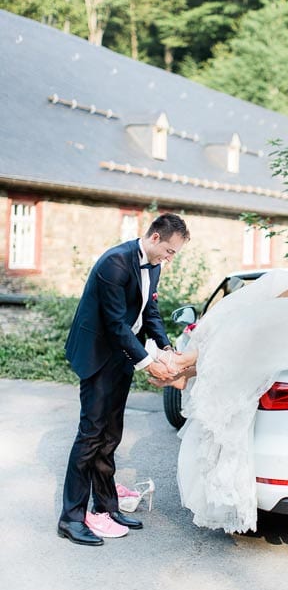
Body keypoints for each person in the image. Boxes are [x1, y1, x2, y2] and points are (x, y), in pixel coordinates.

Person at [154, 179, 288, 534]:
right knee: (243, 334)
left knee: (248, 322)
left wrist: (280, 300)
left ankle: (185, 364)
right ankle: (187, 365)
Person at [58, 213, 190, 546]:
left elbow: (150, 313)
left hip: (122, 354)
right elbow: (116, 324)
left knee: (111, 434)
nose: (170, 258)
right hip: (97, 354)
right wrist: (150, 365)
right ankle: (71, 518)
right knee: (90, 435)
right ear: (156, 238)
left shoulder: (154, 266)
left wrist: (165, 348)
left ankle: (105, 507)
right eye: (171, 251)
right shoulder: (114, 263)